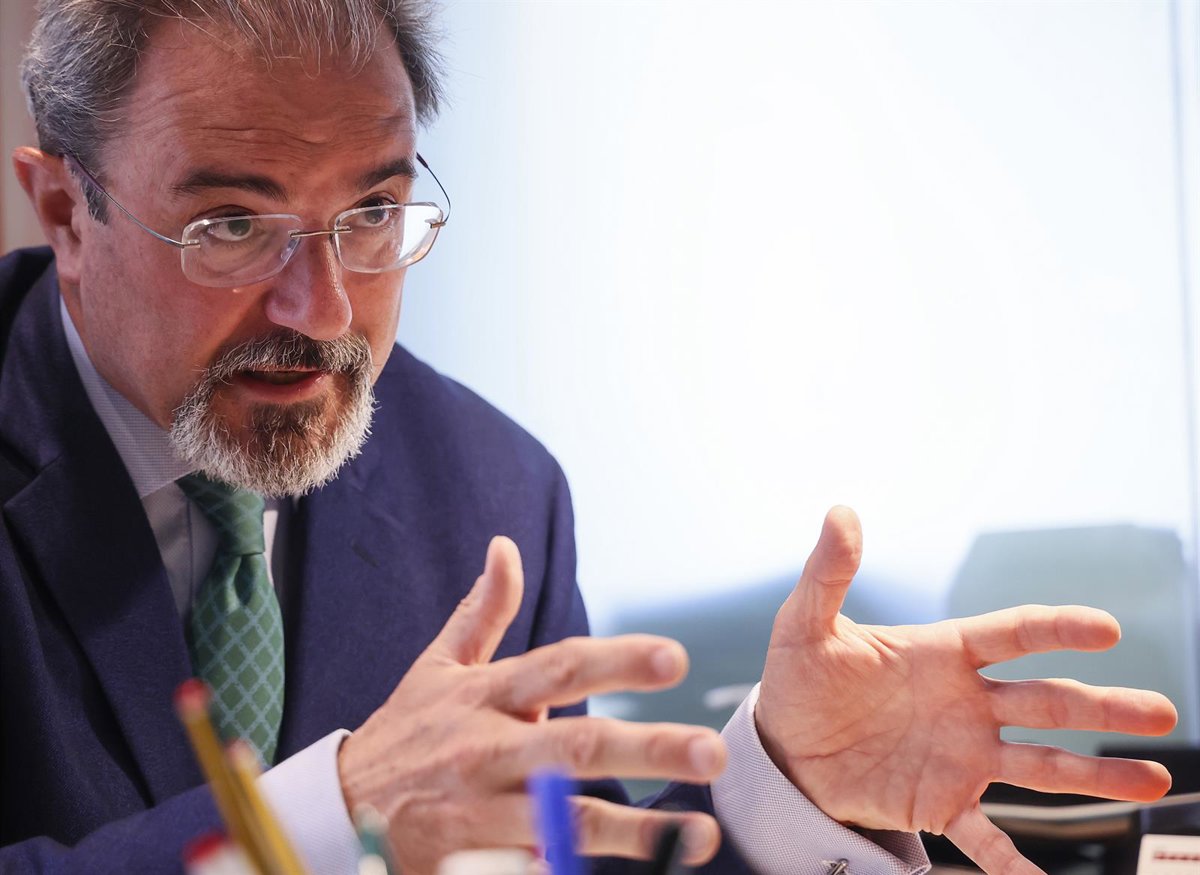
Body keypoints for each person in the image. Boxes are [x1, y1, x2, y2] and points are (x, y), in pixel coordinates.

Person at [0, 2, 1178, 874]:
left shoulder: (493, 488)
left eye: (371, 212)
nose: (323, 311)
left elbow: (564, 854)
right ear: (65, 212)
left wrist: (786, 783)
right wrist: (332, 812)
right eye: (231, 224)